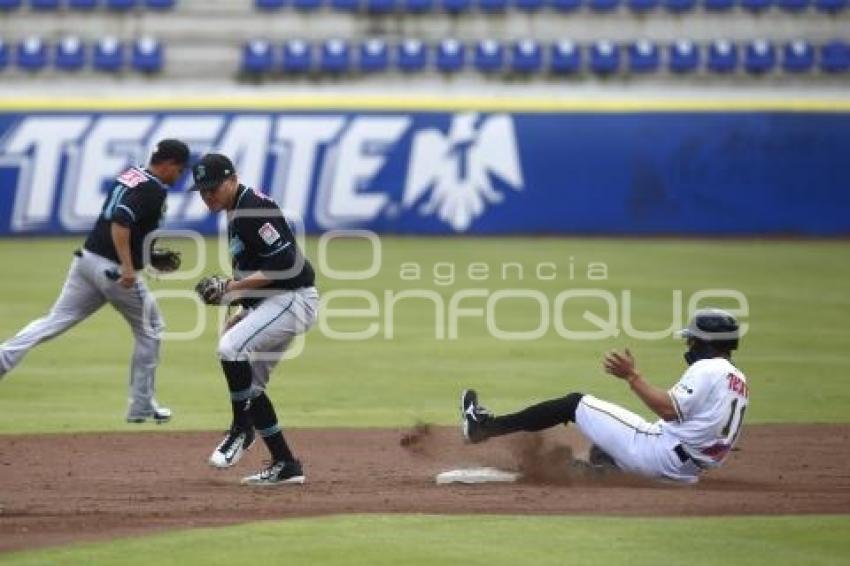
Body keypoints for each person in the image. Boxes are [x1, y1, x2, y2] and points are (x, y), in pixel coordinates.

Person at [0, 139, 190, 424]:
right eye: (180, 169)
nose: (179, 175)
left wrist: (147, 257)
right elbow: (120, 222)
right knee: (151, 328)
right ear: (169, 164)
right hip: (113, 270)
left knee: (54, 320)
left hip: (87, 261)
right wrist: (129, 266)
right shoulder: (152, 189)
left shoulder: (134, 174)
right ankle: (140, 405)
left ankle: (2, 358)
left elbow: (129, 224)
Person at [461, 308, 749, 484]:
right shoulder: (738, 379)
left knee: (574, 404)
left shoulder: (708, 369)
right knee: (602, 448)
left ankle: (484, 428)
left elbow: (669, 410)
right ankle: (601, 473)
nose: (689, 344)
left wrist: (632, 377)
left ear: (706, 342)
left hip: (658, 454)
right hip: (686, 473)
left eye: (693, 339)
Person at [190, 153, 318, 486]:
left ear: (232, 180)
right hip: (276, 302)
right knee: (252, 388)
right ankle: (286, 464)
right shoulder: (236, 207)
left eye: (213, 188)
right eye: (202, 191)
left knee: (230, 348)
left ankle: (240, 431)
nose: (208, 196)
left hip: (293, 300)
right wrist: (245, 308)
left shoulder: (251, 210)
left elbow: (285, 264)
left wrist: (231, 288)